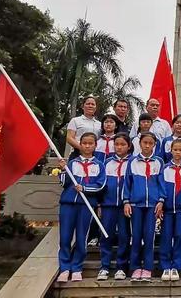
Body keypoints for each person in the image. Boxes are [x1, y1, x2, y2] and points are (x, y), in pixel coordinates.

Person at [56, 132, 107, 283]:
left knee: (81, 237)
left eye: (90, 143)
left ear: (95, 146)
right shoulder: (72, 163)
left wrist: (85, 188)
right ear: (80, 144)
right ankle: (65, 267)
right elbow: (64, 183)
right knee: (65, 237)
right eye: (84, 143)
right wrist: (63, 170)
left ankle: (77, 267)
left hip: (86, 205)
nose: (87, 146)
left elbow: (101, 185)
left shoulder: (99, 165)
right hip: (68, 204)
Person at [123, 132, 166, 282]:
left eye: (150, 143)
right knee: (136, 236)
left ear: (154, 145)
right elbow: (127, 183)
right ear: (139, 144)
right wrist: (126, 201)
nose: (147, 146)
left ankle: (147, 267)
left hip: (153, 206)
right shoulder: (132, 162)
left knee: (149, 236)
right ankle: (135, 267)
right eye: (145, 143)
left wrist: (161, 200)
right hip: (136, 204)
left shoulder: (159, 162)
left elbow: (162, 183)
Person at [97, 132, 132, 281]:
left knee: (124, 236)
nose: (119, 147)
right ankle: (104, 266)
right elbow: (100, 184)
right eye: (116, 144)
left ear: (129, 146)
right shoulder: (106, 163)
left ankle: (121, 267)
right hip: (108, 205)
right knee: (106, 235)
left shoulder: (132, 163)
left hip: (125, 206)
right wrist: (99, 203)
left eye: (123, 144)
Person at [159, 139, 181, 281]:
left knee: (180, 237)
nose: (178, 152)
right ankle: (165, 266)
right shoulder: (165, 168)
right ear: (171, 151)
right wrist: (161, 202)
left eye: (180, 150)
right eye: (175, 149)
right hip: (167, 210)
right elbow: (161, 187)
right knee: (166, 237)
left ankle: (176, 266)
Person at [66, 95, 101, 160]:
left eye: (93, 104)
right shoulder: (75, 120)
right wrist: (82, 149)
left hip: (94, 155)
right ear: (83, 106)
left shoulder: (99, 124)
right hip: (77, 153)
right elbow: (69, 138)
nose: (90, 106)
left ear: (95, 108)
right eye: (88, 104)